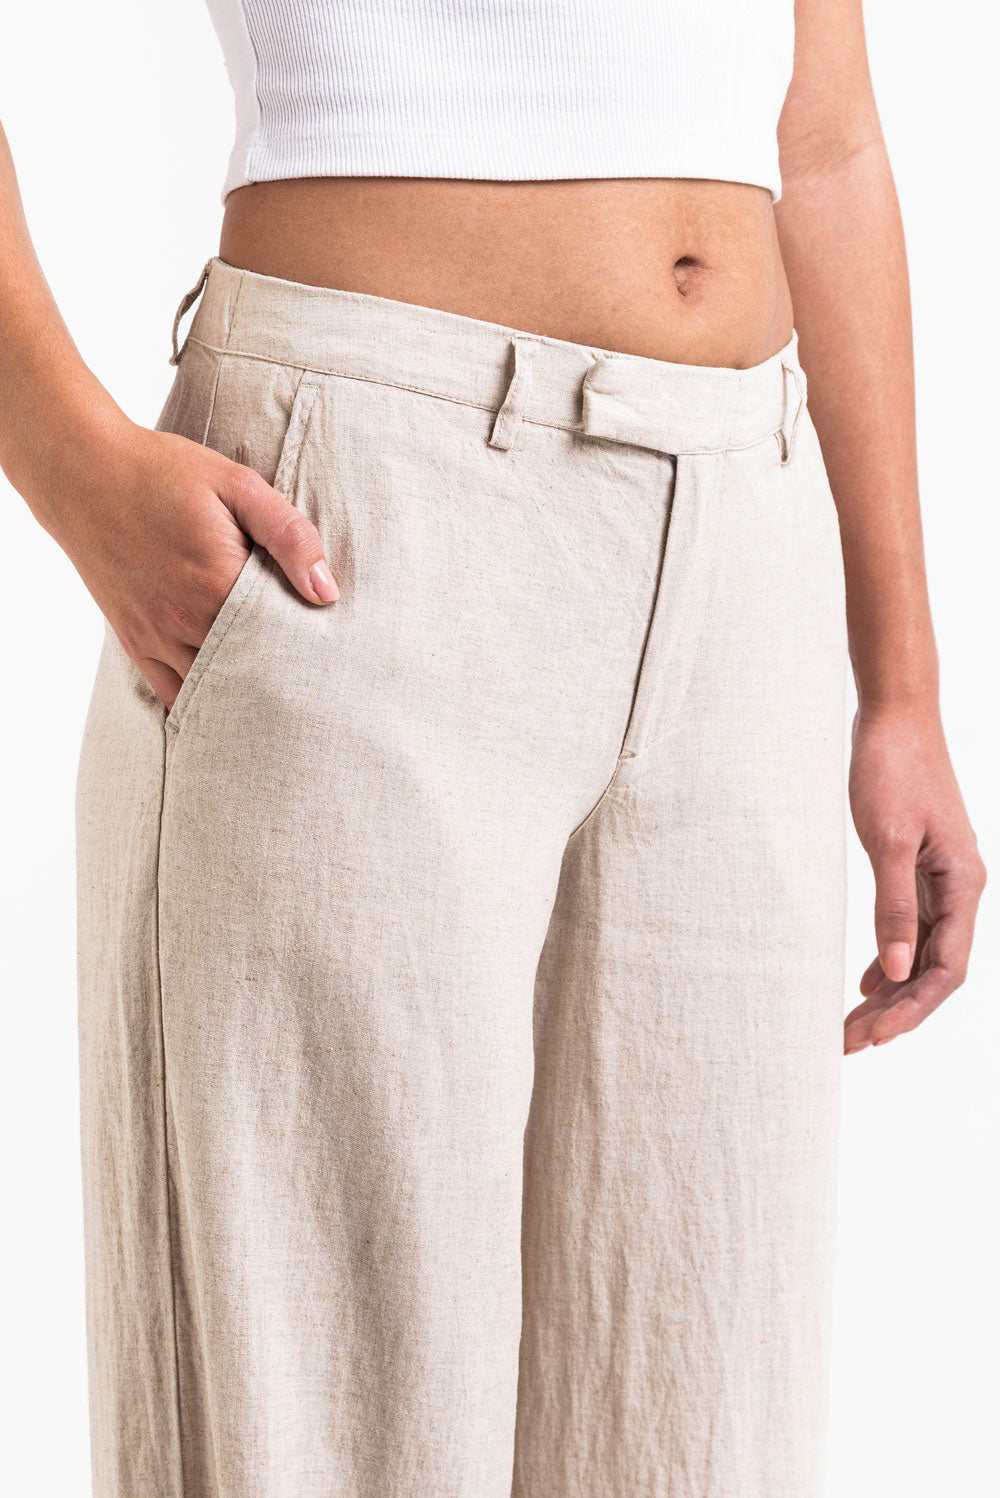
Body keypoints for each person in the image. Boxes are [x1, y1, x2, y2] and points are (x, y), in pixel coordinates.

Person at [0, 1, 986, 1495]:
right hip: (363, 522)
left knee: (703, 1431)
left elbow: (828, 137)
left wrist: (901, 684)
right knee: (325, 1433)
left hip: (747, 550)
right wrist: (67, 458)